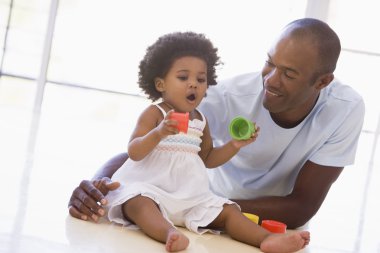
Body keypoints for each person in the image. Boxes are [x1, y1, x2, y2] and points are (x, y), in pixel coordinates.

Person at [68, 18, 365, 231]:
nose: (270, 81)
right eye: (269, 62)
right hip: (201, 208)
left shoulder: (344, 110)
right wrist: (99, 183)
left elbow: (301, 207)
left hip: (248, 219)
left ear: (323, 82)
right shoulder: (227, 98)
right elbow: (152, 146)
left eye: (288, 74)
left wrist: (205, 208)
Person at [90, 32, 310, 252]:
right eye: (183, 78)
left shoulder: (200, 120)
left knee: (227, 211)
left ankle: (266, 239)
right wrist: (158, 132)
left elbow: (207, 158)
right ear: (160, 84)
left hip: (189, 195)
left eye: (200, 79)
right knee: (138, 203)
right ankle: (169, 233)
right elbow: (134, 152)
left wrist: (234, 145)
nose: (193, 84)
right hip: (151, 189)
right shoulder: (155, 113)